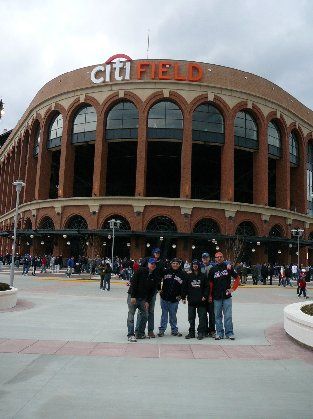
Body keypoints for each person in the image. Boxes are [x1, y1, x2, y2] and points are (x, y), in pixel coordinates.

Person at [208, 251, 240, 340]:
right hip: (216, 296)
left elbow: (237, 278)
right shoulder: (212, 270)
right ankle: (219, 333)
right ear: (215, 259)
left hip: (227, 296)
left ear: (223, 258)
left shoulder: (228, 267)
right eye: (217, 257)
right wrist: (210, 295)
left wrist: (233, 289)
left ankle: (229, 333)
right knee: (217, 316)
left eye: (220, 257)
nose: (219, 258)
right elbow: (210, 284)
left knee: (228, 316)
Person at [127, 257, 160, 342]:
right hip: (133, 296)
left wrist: (148, 301)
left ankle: (140, 333)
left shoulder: (155, 276)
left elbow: (152, 291)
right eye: (151, 263)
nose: (153, 265)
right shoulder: (140, 271)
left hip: (143, 299)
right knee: (131, 315)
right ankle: (130, 334)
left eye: (154, 264)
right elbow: (134, 283)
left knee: (145, 315)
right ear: (148, 264)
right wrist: (133, 296)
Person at [137, 247, 164, 338]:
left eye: (159, 253)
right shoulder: (147, 260)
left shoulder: (160, 263)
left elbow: (160, 277)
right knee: (141, 310)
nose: (157, 254)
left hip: (153, 289)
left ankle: (150, 330)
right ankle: (138, 330)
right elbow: (139, 272)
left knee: (151, 311)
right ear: (153, 253)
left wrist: (159, 288)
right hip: (142, 289)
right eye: (156, 253)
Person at [158, 258, 185, 337]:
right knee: (164, 315)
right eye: (174, 263)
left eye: (177, 263)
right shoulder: (166, 271)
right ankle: (162, 330)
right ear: (171, 264)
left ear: (179, 264)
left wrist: (182, 296)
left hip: (174, 299)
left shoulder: (182, 274)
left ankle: (174, 330)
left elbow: (184, 286)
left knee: (173, 315)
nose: (175, 265)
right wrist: (159, 289)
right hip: (164, 298)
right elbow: (158, 278)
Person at [182, 259, 208, 340]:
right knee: (191, 317)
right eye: (193, 265)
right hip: (191, 300)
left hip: (201, 300)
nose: (195, 266)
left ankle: (200, 332)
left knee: (202, 317)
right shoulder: (188, 275)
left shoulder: (203, 275)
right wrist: (183, 297)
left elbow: (207, 287)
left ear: (199, 266)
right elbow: (184, 287)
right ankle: (191, 332)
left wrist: (205, 295)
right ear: (192, 266)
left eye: (196, 265)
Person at [201, 252, 216, 338]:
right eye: (203, 258)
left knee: (212, 313)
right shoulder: (199, 267)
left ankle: (212, 330)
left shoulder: (213, 267)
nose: (205, 259)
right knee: (202, 313)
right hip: (202, 294)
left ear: (209, 258)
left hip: (211, 293)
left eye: (206, 258)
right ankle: (204, 329)